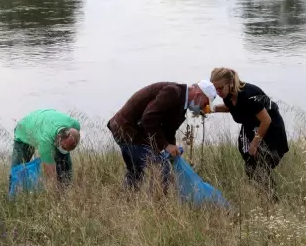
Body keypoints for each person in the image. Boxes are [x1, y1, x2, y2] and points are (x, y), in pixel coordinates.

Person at [107, 80, 217, 190]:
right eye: (205, 103)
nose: (204, 108)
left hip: (131, 130)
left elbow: (168, 130)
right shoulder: (173, 92)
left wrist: (172, 147)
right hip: (127, 130)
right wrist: (165, 145)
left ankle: (128, 199)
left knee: (137, 172)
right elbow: (148, 119)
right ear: (198, 95)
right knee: (161, 167)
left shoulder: (182, 102)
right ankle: (157, 204)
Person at [209, 68, 289, 198]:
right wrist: (213, 109)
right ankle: (263, 198)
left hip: (270, 130)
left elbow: (266, 120)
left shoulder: (249, 95)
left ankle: (272, 201)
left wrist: (255, 143)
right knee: (251, 167)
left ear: (230, 83)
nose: (218, 92)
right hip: (250, 128)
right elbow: (235, 108)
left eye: (220, 88)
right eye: (214, 89)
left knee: (262, 167)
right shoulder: (228, 95)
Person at [11, 109, 81, 189]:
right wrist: (53, 195)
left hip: (45, 120)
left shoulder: (75, 125)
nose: (65, 150)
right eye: (64, 147)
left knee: (65, 165)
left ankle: (66, 189)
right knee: (17, 171)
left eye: (68, 149)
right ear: (58, 138)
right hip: (24, 130)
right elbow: (50, 176)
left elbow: (66, 147)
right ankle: (15, 195)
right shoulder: (45, 142)